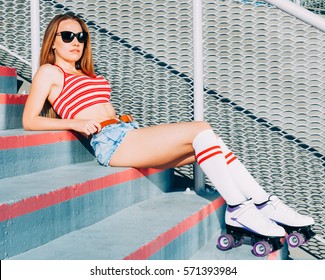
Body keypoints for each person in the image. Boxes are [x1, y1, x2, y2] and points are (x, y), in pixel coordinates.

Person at [22, 13, 314, 245]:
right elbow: (29, 120)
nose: (76, 41)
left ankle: (262, 205)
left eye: (82, 36)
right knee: (201, 129)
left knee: (211, 144)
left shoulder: (87, 73)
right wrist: (74, 122)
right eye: (68, 36)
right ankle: (242, 207)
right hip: (110, 142)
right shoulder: (49, 72)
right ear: (53, 41)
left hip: (126, 132)